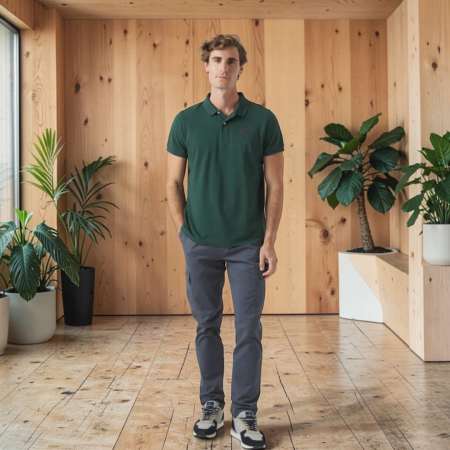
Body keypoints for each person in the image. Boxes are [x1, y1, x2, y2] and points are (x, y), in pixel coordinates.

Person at [166, 33, 284, 450]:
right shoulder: (185, 122)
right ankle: (211, 405)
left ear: (240, 68)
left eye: (231, 61)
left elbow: (275, 186)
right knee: (207, 325)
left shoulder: (263, 120)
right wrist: (185, 233)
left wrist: (269, 241)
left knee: (249, 327)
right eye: (216, 60)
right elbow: (173, 183)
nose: (223, 67)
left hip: (248, 244)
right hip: (200, 243)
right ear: (206, 66)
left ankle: (246, 412)